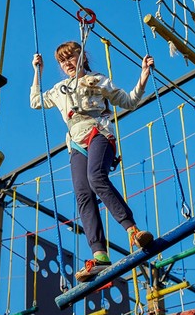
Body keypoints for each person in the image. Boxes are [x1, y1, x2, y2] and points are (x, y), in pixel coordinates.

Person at [30, 41, 155, 282]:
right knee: (83, 194)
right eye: (62, 60)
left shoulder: (98, 80)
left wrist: (143, 75)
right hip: (75, 141)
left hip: (98, 131)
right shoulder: (59, 89)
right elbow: (36, 102)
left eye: (71, 57)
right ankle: (100, 256)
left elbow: (128, 101)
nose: (67, 63)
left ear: (82, 56)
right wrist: (38, 71)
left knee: (96, 177)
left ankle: (133, 231)